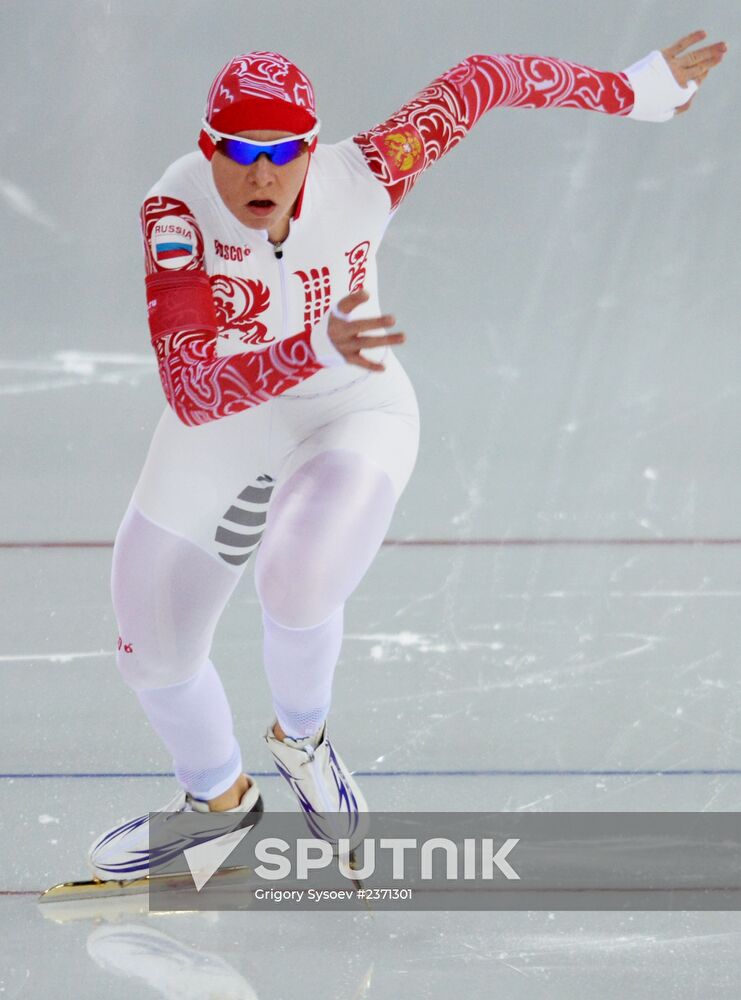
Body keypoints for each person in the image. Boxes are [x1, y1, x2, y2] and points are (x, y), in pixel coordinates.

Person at [87, 33, 727, 880]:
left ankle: (304, 741)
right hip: (233, 416)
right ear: (209, 148)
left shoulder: (369, 171)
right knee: (151, 647)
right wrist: (310, 348)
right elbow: (193, 391)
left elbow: (486, 76)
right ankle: (216, 804)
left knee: (297, 577)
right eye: (240, 154)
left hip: (353, 410)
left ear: (310, 149)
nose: (262, 176)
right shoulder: (176, 212)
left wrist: (639, 91)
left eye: (282, 154)